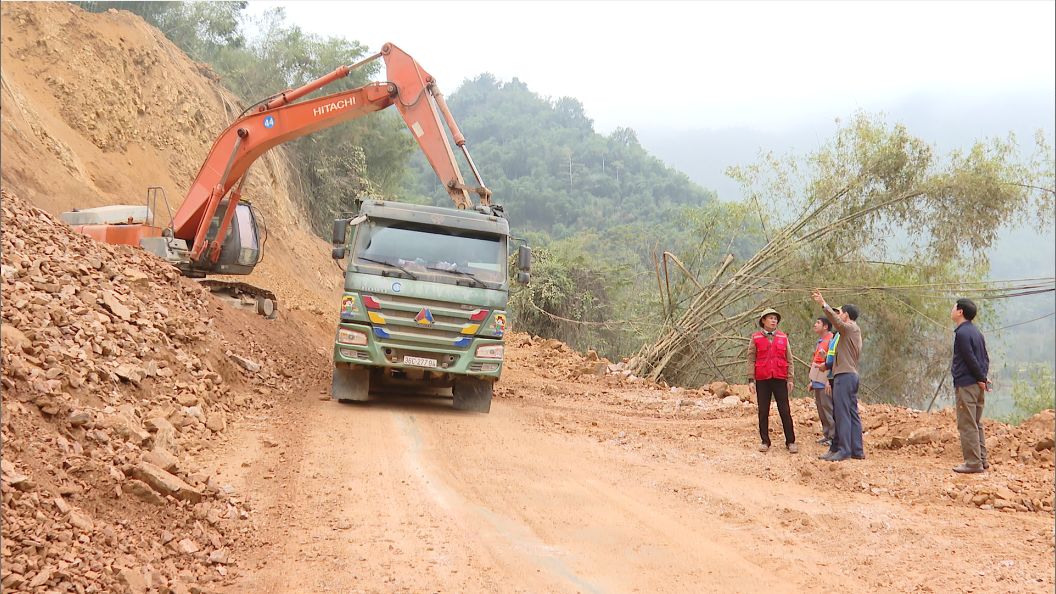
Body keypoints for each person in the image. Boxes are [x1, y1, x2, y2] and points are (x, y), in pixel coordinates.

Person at [811, 291, 864, 461]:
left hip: (845, 376)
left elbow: (838, 324)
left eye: (840, 313)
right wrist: (826, 365)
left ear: (846, 315)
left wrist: (824, 304)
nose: (838, 316)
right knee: (851, 412)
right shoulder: (849, 333)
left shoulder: (850, 328)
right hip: (848, 374)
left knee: (842, 413)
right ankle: (856, 450)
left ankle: (844, 450)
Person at [747, 308, 797, 454]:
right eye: (771, 318)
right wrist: (751, 380)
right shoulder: (755, 338)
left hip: (780, 378)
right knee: (763, 411)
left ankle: (790, 441)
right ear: (763, 320)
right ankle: (765, 441)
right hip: (762, 379)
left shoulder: (783, 338)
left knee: (785, 410)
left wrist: (790, 378)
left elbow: (789, 359)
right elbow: (751, 359)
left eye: (775, 318)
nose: (774, 321)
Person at [950, 298, 991, 474]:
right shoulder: (977, 332)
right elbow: (984, 358)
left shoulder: (962, 334)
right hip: (977, 384)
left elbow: (969, 357)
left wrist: (980, 377)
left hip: (966, 384)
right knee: (976, 422)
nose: (951, 310)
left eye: (954, 307)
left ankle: (973, 463)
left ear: (960, 312)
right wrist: (983, 378)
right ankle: (982, 459)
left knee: (967, 423)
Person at [809, 317, 836, 445]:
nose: (815, 325)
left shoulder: (831, 339)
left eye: (818, 323)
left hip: (825, 382)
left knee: (828, 408)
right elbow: (817, 361)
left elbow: (831, 362)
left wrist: (828, 381)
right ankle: (826, 435)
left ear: (825, 326)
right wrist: (812, 381)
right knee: (821, 409)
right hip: (817, 381)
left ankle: (833, 437)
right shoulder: (821, 341)